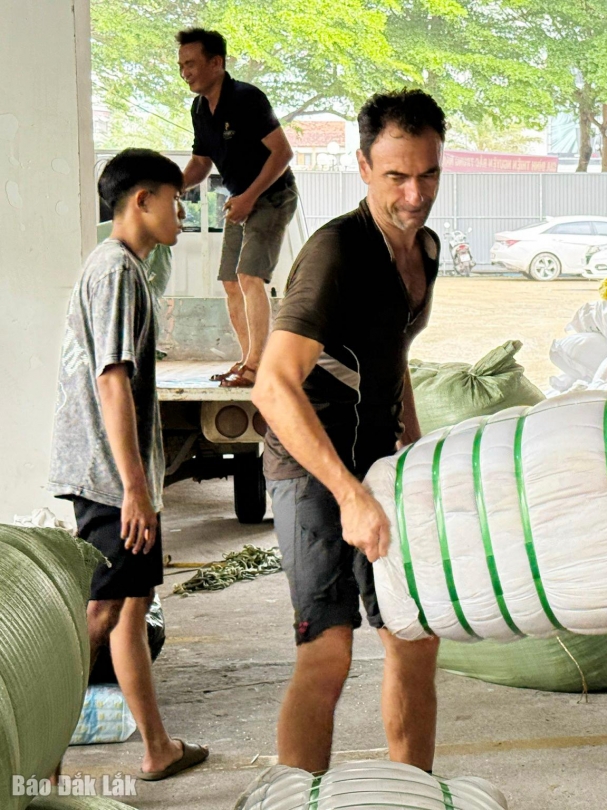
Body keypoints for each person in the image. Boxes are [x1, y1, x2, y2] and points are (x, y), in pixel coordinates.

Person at [252, 89, 445, 773]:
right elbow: (272, 385)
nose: (415, 193)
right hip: (309, 469)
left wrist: (414, 450)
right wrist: (347, 493)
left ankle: (412, 791)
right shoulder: (334, 254)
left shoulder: (424, 248)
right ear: (364, 166)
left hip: (377, 463)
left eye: (428, 173)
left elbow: (394, 356)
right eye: (397, 175)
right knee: (329, 650)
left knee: (415, 636)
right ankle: (297, 797)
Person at [47, 149, 209, 781]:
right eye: (176, 198)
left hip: (111, 472)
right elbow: (113, 381)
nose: (182, 210)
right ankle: (40, 757)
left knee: (130, 607)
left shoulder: (123, 268)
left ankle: (156, 747)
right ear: (141, 199)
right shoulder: (116, 270)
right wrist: (135, 490)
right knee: (101, 614)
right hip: (109, 476)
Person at [177, 27, 297, 388]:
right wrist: (173, 188)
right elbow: (201, 163)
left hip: (272, 196)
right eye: (181, 65)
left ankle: (259, 365)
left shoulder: (247, 98)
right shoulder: (199, 108)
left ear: (217, 62)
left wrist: (249, 197)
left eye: (192, 64)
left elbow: (283, 153)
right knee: (230, 281)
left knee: (249, 277)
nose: (185, 72)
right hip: (240, 200)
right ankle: (247, 360)